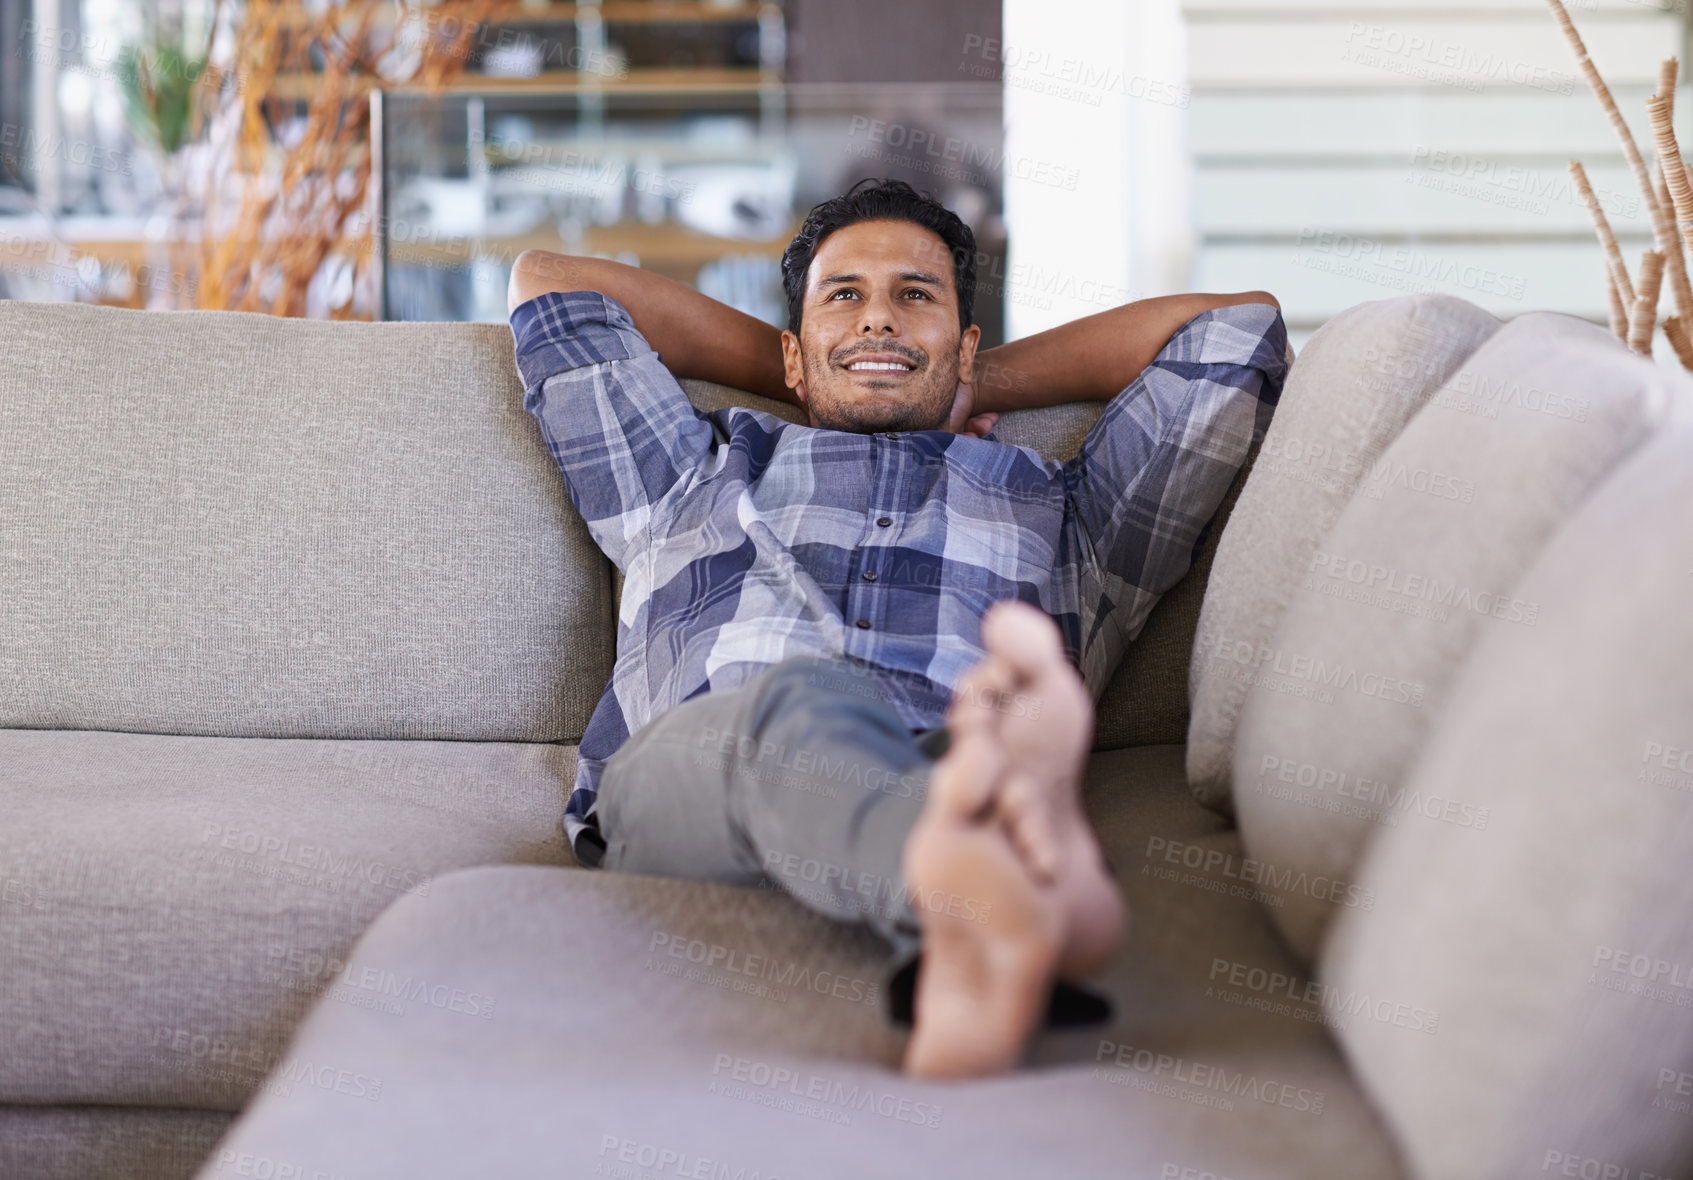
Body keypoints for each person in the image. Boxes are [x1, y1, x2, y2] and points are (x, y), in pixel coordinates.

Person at [505, 177, 1287, 1079]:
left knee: (967, 745)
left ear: (963, 343)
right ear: (794, 355)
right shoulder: (689, 471)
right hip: (705, 771)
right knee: (795, 705)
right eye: (845, 298)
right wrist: (829, 367)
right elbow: (552, 283)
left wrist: (958, 377)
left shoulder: (1071, 510)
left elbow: (1240, 332)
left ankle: (972, 917)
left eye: (914, 297)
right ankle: (987, 884)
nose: (878, 318)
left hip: (950, 748)